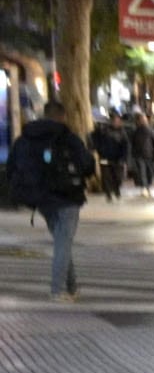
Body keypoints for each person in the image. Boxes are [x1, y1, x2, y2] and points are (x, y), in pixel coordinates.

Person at [8, 113, 96, 301]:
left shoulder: (24, 139)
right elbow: (87, 165)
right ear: (62, 117)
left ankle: (72, 287)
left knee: (61, 241)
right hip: (67, 197)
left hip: (40, 200)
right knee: (62, 243)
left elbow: (11, 168)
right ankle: (57, 290)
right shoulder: (67, 138)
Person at [91, 114, 129, 201]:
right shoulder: (104, 131)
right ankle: (108, 194)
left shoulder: (122, 133)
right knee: (106, 176)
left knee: (117, 176)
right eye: (115, 121)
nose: (116, 123)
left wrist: (124, 158)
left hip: (117, 158)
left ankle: (116, 190)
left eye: (118, 121)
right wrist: (99, 149)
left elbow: (125, 146)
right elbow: (95, 138)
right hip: (105, 157)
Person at [128, 112, 154, 197]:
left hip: (149, 155)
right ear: (138, 121)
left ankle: (148, 186)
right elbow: (132, 144)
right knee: (142, 172)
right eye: (142, 119)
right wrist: (133, 154)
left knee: (149, 172)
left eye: (144, 119)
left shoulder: (150, 131)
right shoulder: (135, 131)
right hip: (139, 156)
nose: (143, 121)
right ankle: (144, 187)